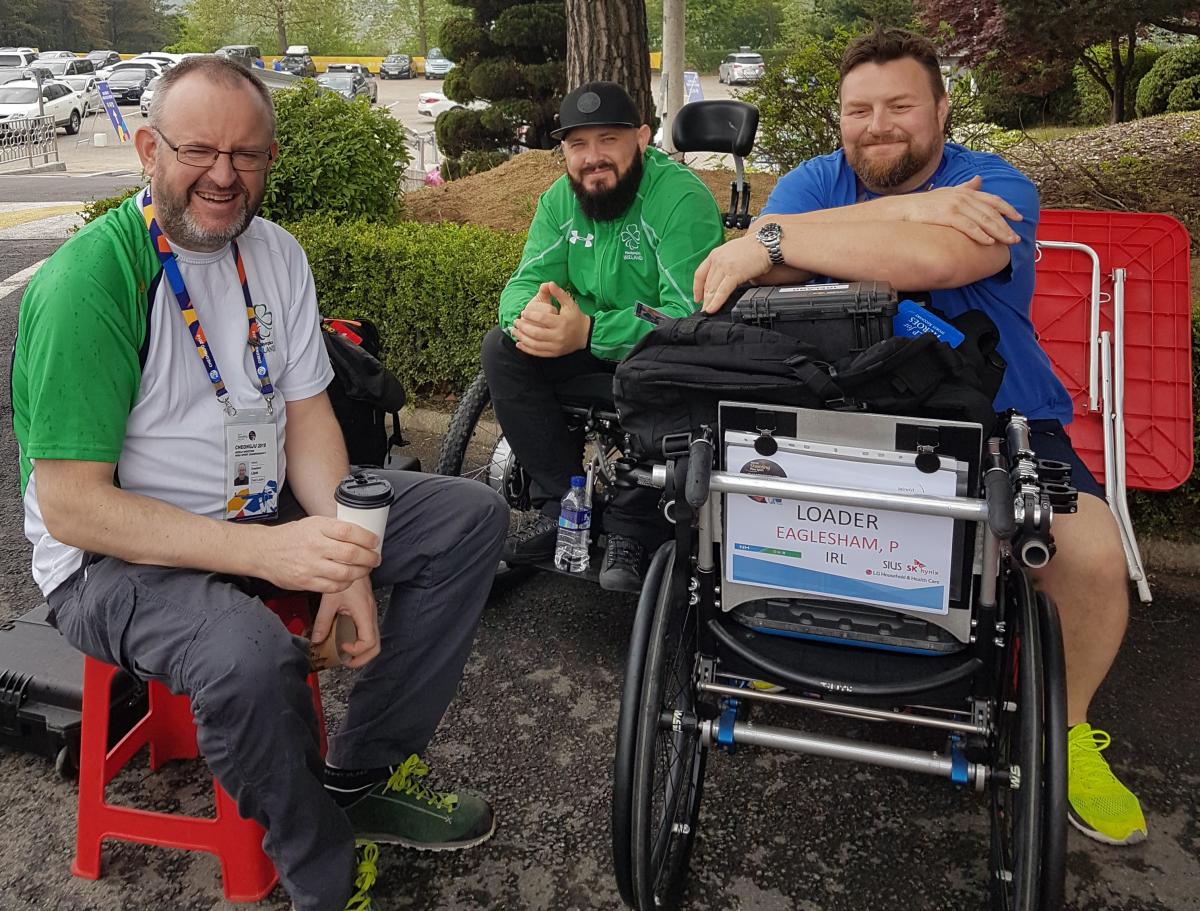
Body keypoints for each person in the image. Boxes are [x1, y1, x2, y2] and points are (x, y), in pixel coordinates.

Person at [11, 57, 508, 911]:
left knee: (469, 519)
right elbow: (72, 506)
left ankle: (363, 773)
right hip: (114, 560)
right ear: (146, 149)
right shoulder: (91, 283)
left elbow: (308, 416)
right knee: (247, 656)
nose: (223, 175)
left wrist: (344, 548)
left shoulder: (273, 252)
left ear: (270, 159)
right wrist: (274, 552)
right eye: (198, 149)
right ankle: (318, 869)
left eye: (247, 155)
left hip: (256, 508)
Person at [693, 28, 1146, 847]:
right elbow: (760, 269)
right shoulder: (810, 181)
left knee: (1089, 554)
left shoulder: (997, 182)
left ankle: (1071, 727)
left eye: (900, 106)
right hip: (850, 404)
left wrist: (784, 238)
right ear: (839, 119)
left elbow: (934, 258)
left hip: (1001, 410)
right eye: (859, 110)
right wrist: (888, 213)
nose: (879, 125)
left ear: (940, 110)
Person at [482, 81, 724, 591]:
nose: (593, 158)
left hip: (648, 352)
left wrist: (591, 332)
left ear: (640, 138)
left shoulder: (681, 199)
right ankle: (558, 504)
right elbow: (528, 278)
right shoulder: (558, 202)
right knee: (502, 349)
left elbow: (685, 311)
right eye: (577, 145)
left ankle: (631, 528)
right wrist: (526, 321)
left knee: (673, 357)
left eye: (608, 140)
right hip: (580, 343)